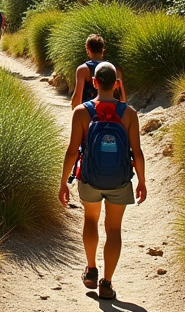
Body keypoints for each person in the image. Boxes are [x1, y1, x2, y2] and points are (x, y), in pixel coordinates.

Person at [59, 62, 147, 301]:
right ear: (116, 85)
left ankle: (91, 269)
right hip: (119, 180)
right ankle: (106, 283)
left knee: (91, 219)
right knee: (114, 229)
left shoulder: (81, 112)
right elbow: (136, 152)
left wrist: (62, 182)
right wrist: (142, 181)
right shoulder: (129, 114)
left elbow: (71, 150)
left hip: (90, 178)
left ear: (94, 83)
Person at [70, 34, 127, 108]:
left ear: (88, 49)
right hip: (111, 112)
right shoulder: (114, 69)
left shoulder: (83, 69)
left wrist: (76, 113)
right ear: (102, 50)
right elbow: (122, 99)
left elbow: (78, 97)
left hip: (90, 112)